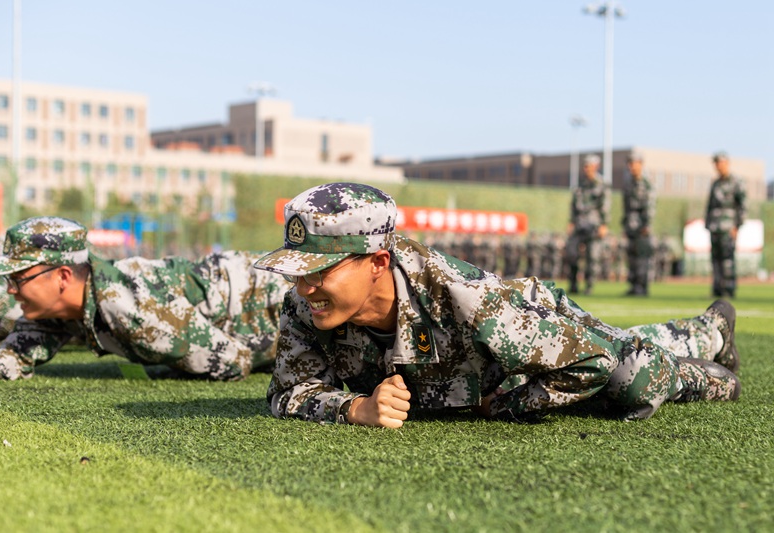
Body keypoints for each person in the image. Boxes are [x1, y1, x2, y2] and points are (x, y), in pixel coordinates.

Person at [253, 182, 740, 428]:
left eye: (322, 270)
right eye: (298, 271)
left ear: (378, 261)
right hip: (500, 353)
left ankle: (705, 361)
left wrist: (506, 405)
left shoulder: (469, 302)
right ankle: (710, 328)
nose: (305, 287)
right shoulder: (307, 304)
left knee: (629, 372)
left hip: (528, 333)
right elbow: (285, 392)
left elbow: (595, 360)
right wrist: (355, 408)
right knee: (621, 347)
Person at [0, 216, 290, 382]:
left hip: (266, 298)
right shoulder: (58, 308)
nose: (11, 290)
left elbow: (232, 360)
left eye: (18, 279)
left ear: (63, 277)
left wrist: (167, 366)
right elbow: (16, 354)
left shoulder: (130, 307)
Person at [566, 154, 610, 295]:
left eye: (588, 166)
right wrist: (571, 222)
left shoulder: (602, 185)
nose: (586, 169)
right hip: (579, 225)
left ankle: (589, 286)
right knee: (572, 252)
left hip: (594, 226)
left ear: (596, 167)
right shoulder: (580, 186)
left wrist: (604, 224)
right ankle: (573, 284)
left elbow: (606, 206)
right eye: (584, 166)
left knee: (592, 256)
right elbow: (573, 206)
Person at [706, 151, 746, 298]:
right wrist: (708, 224)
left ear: (727, 163)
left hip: (728, 227)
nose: (718, 166)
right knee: (715, 260)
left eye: (721, 162)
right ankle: (717, 289)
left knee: (727, 260)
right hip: (715, 227)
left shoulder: (736, 182)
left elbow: (742, 205)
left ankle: (728, 290)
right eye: (716, 163)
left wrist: (737, 225)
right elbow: (710, 206)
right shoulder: (715, 183)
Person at [621, 151, 655, 296]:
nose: (631, 167)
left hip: (642, 227)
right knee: (632, 257)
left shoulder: (646, 184)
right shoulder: (629, 183)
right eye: (629, 164)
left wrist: (646, 225)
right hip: (630, 226)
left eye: (634, 163)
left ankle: (642, 287)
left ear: (640, 164)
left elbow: (651, 205)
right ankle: (634, 286)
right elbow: (626, 206)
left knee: (642, 257)